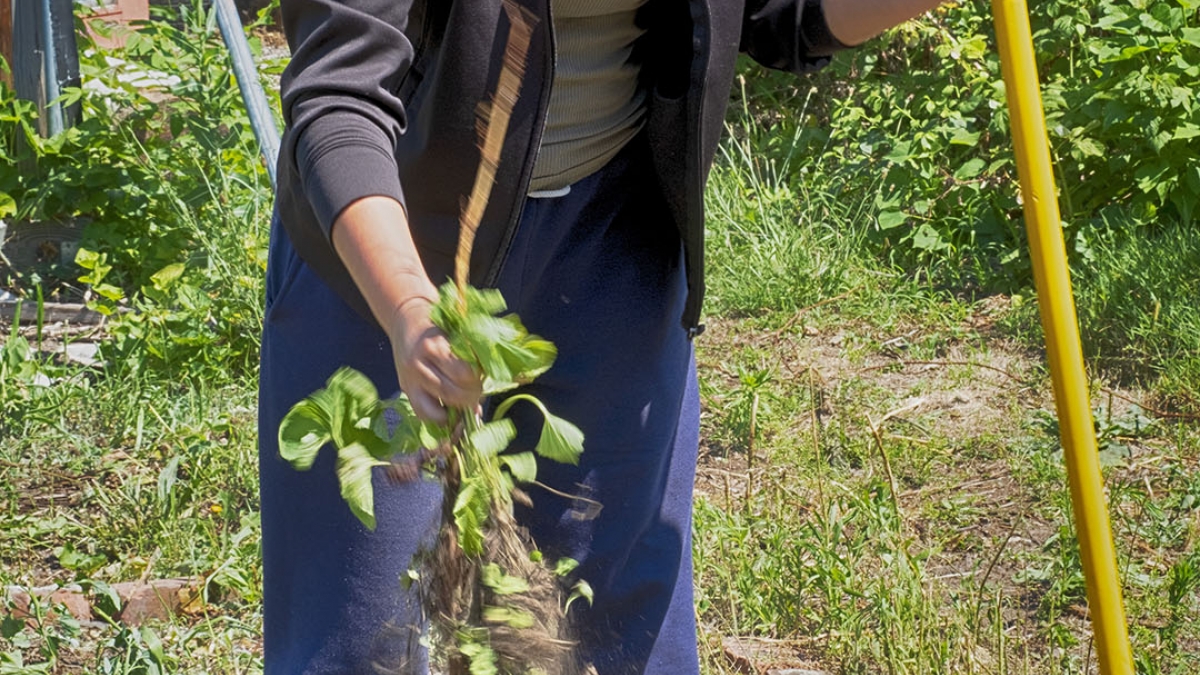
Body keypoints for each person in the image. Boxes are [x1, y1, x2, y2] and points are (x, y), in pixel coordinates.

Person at [258, 0, 943, 673]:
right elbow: (341, 94)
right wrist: (407, 303)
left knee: (612, 630)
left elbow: (780, 13)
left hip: (610, 241)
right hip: (388, 242)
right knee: (363, 640)